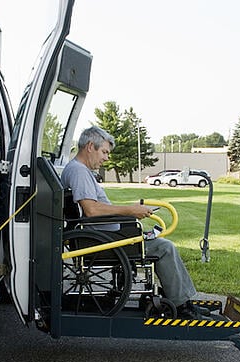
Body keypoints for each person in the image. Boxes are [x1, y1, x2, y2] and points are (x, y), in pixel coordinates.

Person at [61, 126, 211, 320]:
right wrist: (130, 210)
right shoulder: (79, 172)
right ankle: (181, 305)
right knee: (164, 247)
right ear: (90, 146)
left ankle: (182, 300)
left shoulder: (78, 170)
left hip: (105, 235)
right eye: (104, 152)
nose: (106, 158)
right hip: (103, 241)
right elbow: (92, 210)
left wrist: (129, 212)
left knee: (158, 240)